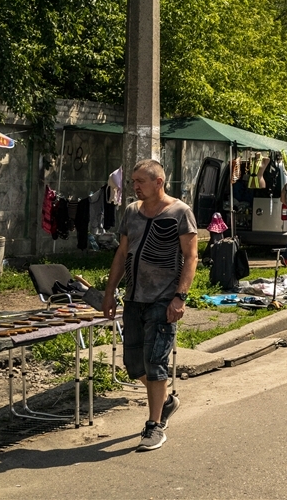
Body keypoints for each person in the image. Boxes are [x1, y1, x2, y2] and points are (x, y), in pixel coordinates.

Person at [102, 159, 198, 452]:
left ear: (159, 182)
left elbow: (191, 256)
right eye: (133, 182)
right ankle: (166, 401)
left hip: (163, 298)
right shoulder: (131, 212)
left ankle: (154, 425)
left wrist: (180, 296)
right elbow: (122, 253)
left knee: (155, 363)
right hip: (134, 297)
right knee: (134, 366)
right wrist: (109, 291)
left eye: (140, 182)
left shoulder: (181, 212)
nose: (135, 187)